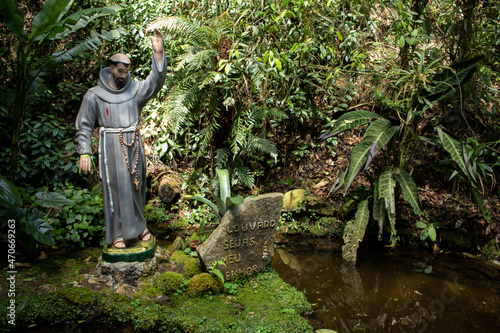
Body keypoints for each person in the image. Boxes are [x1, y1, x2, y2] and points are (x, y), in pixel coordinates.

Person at [75, 29, 166, 249]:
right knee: (114, 189)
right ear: (111, 69)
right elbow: (84, 124)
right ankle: (116, 233)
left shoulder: (135, 91)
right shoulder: (94, 95)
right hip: (110, 147)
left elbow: (155, 82)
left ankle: (139, 226)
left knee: (136, 187)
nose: (122, 75)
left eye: (126, 71)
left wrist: (159, 53)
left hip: (133, 143)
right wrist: (84, 151)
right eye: (119, 70)